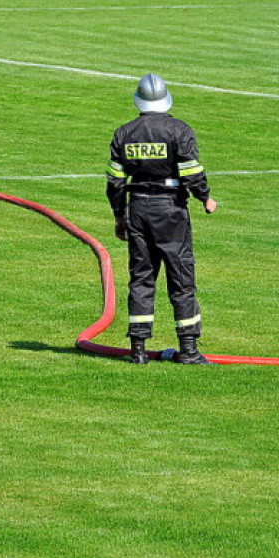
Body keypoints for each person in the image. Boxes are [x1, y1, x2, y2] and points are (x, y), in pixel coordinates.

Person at [106, 73, 218, 365]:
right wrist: (205, 198)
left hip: (138, 209)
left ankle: (138, 350)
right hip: (171, 211)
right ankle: (189, 349)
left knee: (141, 277)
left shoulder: (124, 133)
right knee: (181, 277)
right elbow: (192, 172)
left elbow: (115, 182)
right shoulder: (180, 131)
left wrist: (119, 216)